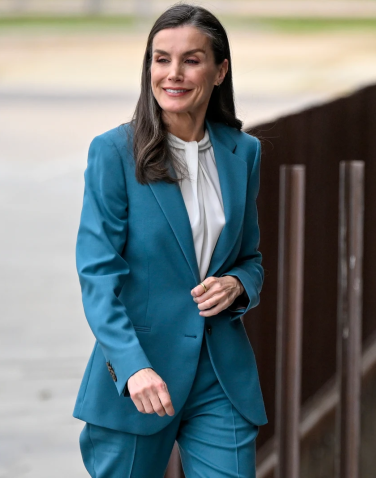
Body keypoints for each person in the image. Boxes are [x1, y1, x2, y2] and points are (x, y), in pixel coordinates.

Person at [72, 4, 266, 476]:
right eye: (161, 59)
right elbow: (98, 273)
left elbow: (251, 258)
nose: (173, 74)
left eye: (191, 60)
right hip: (143, 375)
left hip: (220, 374)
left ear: (220, 71)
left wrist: (238, 285)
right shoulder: (114, 152)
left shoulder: (244, 152)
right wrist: (131, 366)